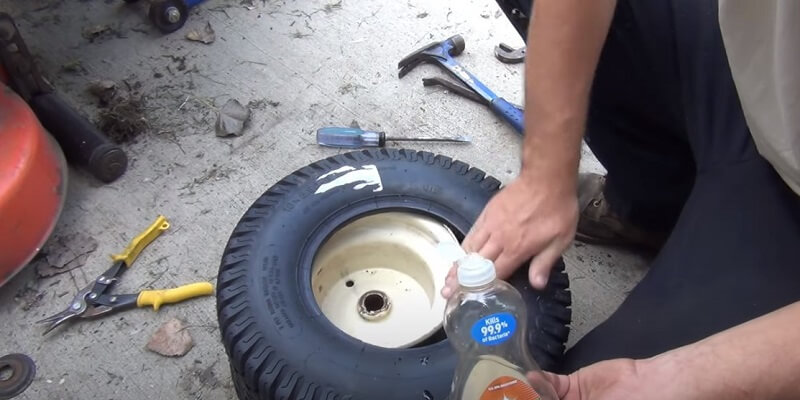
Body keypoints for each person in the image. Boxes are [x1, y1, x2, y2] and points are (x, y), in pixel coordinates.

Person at [442, 0, 800, 398]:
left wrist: (674, 375)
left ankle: (711, 237)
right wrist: (545, 173)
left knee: (566, 385)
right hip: (755, 77)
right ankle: (652, 208)